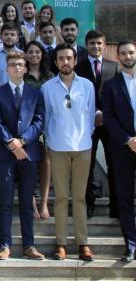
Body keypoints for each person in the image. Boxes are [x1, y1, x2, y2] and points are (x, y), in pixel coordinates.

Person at [41, 43, 95, 261]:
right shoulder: (47, 88)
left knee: (80, 197)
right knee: (62, 197)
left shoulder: (87, 86)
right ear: (55, 62)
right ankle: (61, 243)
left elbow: (90, 116)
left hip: (83, 147)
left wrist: (85, 137)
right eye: (61, 58)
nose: (65, 62)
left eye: (69, 58)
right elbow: (45, 118)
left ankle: (83, 243)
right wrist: (49, 142)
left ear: (75, 61)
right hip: (57, 146)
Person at [0, 50, 46, 260]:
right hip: (5, 154)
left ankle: (29, 245)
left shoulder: (35, 93)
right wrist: (11, 143)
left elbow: (39, 121)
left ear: (26, 67)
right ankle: (5, 244)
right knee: (5, 201)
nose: (17, 67)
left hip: (29, 154)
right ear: (7, 68)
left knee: (25, 201)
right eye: (13, 64)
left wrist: (22, 142)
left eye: (21, 64)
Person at [74, 30, 120, 218]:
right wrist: (93, 113)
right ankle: (88, 204)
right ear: (87, 44)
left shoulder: (114, 67)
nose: (96, 46)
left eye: (99, 43)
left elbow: (117, 96)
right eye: (92, 43)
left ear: (105, 44)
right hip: (87, 124)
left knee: (114, 164)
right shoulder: (79, 67)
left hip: (110, 125)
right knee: (87, 166)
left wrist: (104, 114)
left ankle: (115, 206)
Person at [101, 40, 136, 262]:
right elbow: (109, 117)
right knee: (124, 198)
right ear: (118, 57)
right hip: (123, 148)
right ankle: (131, 244)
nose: (127, 56)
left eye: (131, 52)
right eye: (123, 53)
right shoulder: (111, 86)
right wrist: (128, 139)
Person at [24, 41, 55, 219]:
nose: (34, 55)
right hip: (27, 125)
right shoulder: (22, 74)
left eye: (37, 52)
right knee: (28, 165)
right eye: (30, 52)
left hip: (47, 123)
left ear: (42, 54)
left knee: (46, 162)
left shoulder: (50, 75)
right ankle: (32, 205)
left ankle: (44, 203)